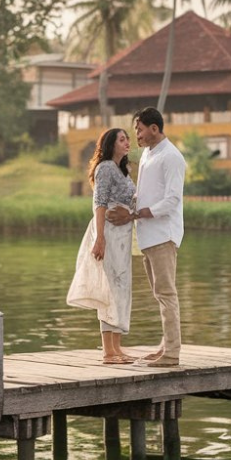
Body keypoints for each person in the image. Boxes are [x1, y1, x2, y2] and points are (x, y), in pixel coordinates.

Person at [107, 107, 186, 367]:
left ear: (154, 128)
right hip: (147, 235)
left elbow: (172, 200)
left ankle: (172, 354)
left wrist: (139, 213)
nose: (136, 136)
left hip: (163, 234)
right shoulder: (147, 155)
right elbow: (143, 192)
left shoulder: (172, 157)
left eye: (139, 130)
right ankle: (165, 346)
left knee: (166, 293)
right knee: (159, 293)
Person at [67, 128, 136, 364]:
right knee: (110, 287)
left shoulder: (123, 170)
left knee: (121, 286)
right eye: (122, 139)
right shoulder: (105, 168)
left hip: (123, 237)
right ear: (110, 144)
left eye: (128, 139)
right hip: (108, 232)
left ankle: (117, 346)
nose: (128, 142)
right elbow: (100, 203)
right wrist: (100, 238)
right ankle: (108, 351)